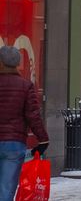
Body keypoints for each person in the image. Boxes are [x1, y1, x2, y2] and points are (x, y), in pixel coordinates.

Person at [0, 46, 49, 201]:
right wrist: (43, 139)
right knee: (6, 189)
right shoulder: (26, 85)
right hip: (14, 144)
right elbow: (33, 115)